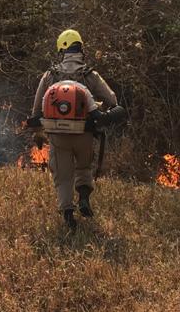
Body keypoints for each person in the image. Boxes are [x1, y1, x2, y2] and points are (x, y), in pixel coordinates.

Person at [26, 29, 121, 228]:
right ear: (81, 49)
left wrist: (37, 130)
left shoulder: (50, 75)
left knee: (63, 174)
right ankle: (84, 198)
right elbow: (112, 100)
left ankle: (68, 214)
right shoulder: (90, 75)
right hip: (84, 133)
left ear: (62, 49)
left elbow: (36, 109)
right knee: (83, 167)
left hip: (58, 136)